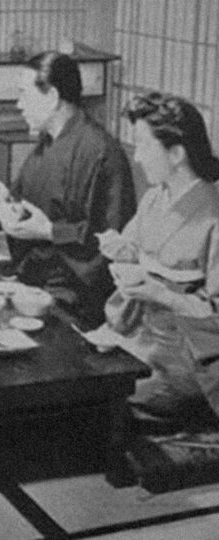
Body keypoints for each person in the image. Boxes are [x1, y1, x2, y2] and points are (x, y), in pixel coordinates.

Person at [0, 51, 136, 326]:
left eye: (23, 94)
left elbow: (115, 238)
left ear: (52, 96)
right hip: (35, 282)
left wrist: (50, 231)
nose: (18, 105)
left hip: (74, 295)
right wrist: (8, 202)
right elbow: (34, 202)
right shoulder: (48, 143)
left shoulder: (100, 151)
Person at [98, 92, 219, 421]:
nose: (137, 158)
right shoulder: (155, 197)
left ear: (177, 152)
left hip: (188, 354)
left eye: (143, 146)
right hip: (139, 333)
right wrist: (117, 250)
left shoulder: (214, 216)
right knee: (84, 378)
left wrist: (159, 293)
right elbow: (135, 248)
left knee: (103, 399)